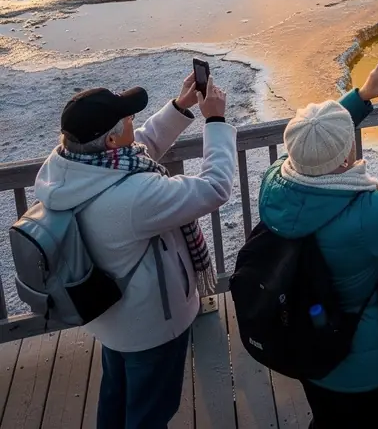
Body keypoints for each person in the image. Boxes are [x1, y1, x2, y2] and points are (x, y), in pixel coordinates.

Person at [33, 73, 236, 429]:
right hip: (152, 326)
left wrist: (180, 106)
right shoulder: (134, 197)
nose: (133, 122)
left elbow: (139, 145)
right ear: (111, 139)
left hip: (114, 319)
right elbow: (215, 187)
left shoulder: (69, 166)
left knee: (117, 398)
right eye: (127, 119)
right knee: (149, 412)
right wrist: (216, 121)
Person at [257, 57, 378, 429]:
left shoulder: (274, 187)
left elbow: (306, 150)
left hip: (313, 355)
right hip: (375, 365)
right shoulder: (367, 217)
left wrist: (362, 96)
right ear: (347, 155)